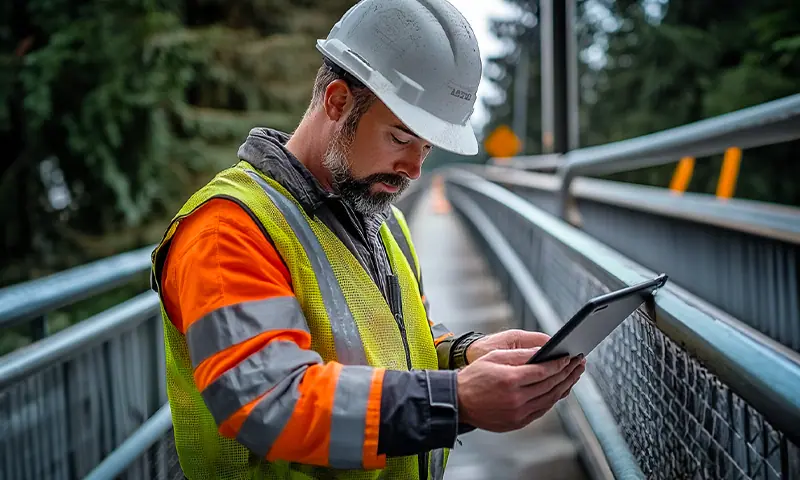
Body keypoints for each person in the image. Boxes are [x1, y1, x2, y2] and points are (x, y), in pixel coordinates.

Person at [149, 0, 586, 478]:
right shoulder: (227, 229)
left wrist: (463, 355)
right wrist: (454, 401)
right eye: (400, 138)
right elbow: (267, 404)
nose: (415, 171)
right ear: (337, 102)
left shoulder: (379, 216)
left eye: (426, 148)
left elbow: (393, 340)